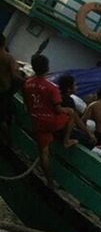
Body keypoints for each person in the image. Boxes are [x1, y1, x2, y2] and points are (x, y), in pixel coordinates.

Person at [22, 55, 77, 188]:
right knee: (71, 113)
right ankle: (66, 140)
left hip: (36, 120)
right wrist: (66, 110)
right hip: (51, 122)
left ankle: (50, 181)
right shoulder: (51, 88)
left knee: (44, 153)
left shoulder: (27, 83)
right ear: (47, 67)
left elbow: (27, 103)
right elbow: (58, 109)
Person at [57, 74, 96, 145]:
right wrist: (89, 134)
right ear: (69, 89)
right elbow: (77, 120)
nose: (77, 87)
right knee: (88, 142)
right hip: (60, 131)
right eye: (75, 85)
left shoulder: (57, 95)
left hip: (55, 128)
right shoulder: (68, 100)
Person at [0, 34, 22, 143]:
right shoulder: (8, 58)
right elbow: (16, 77)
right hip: (4, 92)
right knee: (4, 119)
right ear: (4, 43)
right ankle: (8, 142)